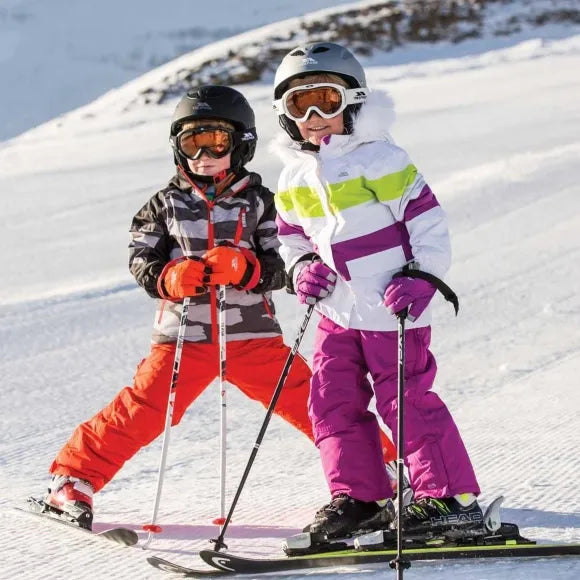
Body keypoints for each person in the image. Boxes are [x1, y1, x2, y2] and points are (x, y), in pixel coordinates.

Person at [41, 85, 398, 530]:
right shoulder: (163, 205)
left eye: (217, 142)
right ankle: (73, 480)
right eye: (192, 143)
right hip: (182, 340)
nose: (204, 154)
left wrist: (248, 269)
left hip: (253, 339)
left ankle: (385, 474)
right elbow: (141, 258)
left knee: (316, 403)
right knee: (142, 409)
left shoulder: (264, 202)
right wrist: (167, 277)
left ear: (242, 144)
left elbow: (286, 262)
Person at [271, 42, 481, 539]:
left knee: (406, 402)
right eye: (302, 105)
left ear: (355, 102)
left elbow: (428, 224)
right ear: (286, 116)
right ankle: (360, 497)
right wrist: (301, 267)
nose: (317, 116)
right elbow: (290, 236)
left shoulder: (384, 160)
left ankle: (449, 498)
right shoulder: (293, 175)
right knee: (330, 402)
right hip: (335, 313)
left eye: (328, 99)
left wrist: (422, 277)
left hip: (393, 310)